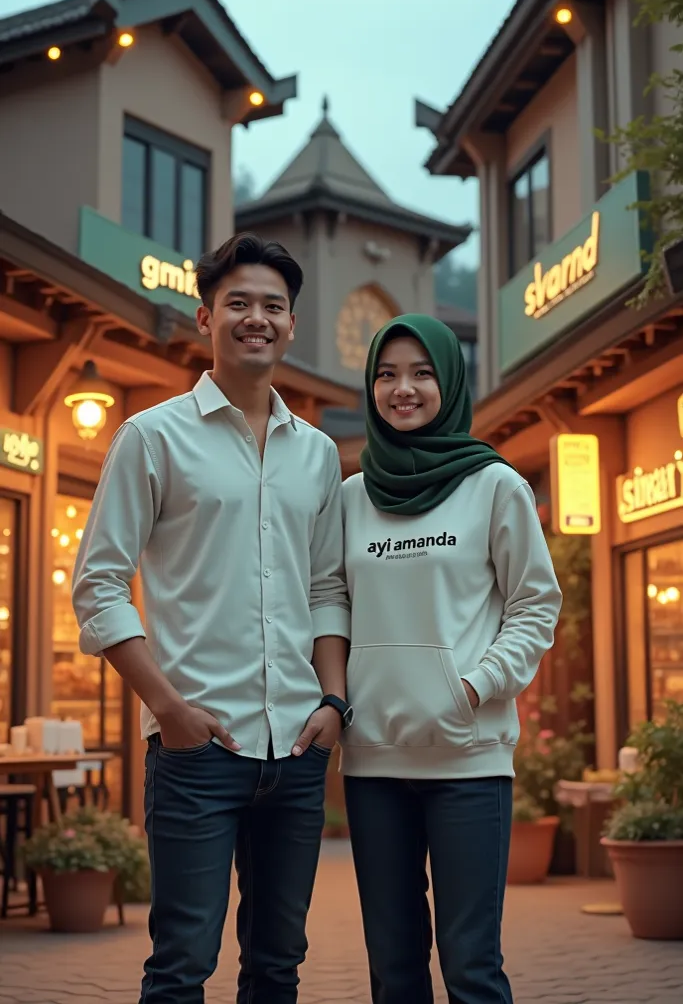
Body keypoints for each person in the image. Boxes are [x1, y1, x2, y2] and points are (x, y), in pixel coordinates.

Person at [72, 232, 353, 1004]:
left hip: (296, 749)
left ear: (291, 324)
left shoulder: (320, 455)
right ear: (206, 320)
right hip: (196, 749)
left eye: (273, 306)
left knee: (277, 964)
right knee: (179, 966)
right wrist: (168, 710)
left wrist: (332, 704)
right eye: (238, 304)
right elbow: (97, 586)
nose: (255, 318)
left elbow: (327, 587)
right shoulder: (151, 438)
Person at [340, 314, 562, 1004]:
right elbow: (330, 608)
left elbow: (535, 604)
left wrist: (472, 686)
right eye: (385, 375)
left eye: (420, 373)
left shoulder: (494, 486)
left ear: (449, 381)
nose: (401, 389)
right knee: (394, 967)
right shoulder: (350, 497)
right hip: (373, 757)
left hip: (468, 757)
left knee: (470, 966)